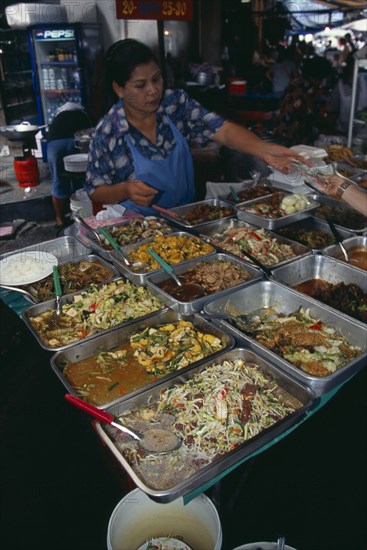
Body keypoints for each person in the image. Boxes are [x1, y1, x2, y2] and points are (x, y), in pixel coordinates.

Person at [85, 39, 308, 216]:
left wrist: (265, 150)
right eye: (140, 85)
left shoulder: (175, 104)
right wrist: (125, 190)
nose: (153, 91)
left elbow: (224, 130)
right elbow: (96, 191)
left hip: (187, 215)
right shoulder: (108, 132)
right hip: (140, 226)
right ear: (119, 89)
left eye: (156, 79)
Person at [47, 102, 93, 228]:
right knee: (83, 176)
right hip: (76, 142)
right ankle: (86, 217)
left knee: (58, 179)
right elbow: (90, 135)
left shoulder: (58, 117)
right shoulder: (83, 114)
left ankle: (59, 219)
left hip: (55, 145)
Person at [272, 55, 334, 146]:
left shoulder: (297, 81)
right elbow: (311, 116)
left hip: (281, 130)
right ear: (319, 76)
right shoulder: (309, 89)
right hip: (294, 136)